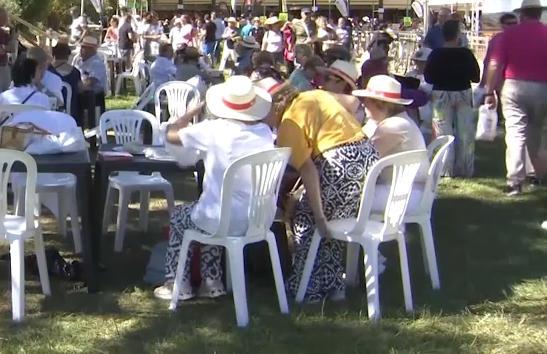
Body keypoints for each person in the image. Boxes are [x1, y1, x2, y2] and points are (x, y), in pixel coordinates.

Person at [254, 77, 379, 303]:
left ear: (272, 106)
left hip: (340, 166)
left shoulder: (288, 125)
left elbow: (309, 171)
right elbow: (351, 104)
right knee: (331, 224)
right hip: (366, 158)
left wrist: (319, 215)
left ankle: (307, 286)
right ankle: (332, 285)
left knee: (305, 218)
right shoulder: (315, 95)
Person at [153, 76, 276, 300]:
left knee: (184, 215)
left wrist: (189, 113)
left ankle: (176, 283)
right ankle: (212, 281)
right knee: (211, 208)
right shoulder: (265, 132)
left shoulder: (214, 129)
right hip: (259, 219)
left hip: (222, 219)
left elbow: (170, 134)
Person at [486, 0, 547, 195]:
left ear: (521, 14)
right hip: (541, 87)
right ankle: (534, 172)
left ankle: (514, 181)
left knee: (515, 132)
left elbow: (495, 64)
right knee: (536, 131)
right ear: (539, 13)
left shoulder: (509, 35)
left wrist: (489, 90)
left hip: (513, 86)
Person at [353, 75, 427, 211]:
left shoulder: (394, 126)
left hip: (406, 193)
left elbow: (362, 158)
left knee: (343, 196)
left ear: (380, 104)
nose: (363, 104)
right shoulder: (390, 121)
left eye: (367, 100)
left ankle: (345, 230)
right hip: (403, 188)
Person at [424, 19, 480, 178]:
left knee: (442, 132)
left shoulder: (435, 54)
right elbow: (475, 77)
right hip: (463, 92)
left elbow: (428, 78)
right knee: (465, 133)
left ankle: (444, 169)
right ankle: (466, 168)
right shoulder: (466, 53)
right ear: (457, 35)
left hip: (441, 93)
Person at [73, 35, 108, 127]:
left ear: (92, 50)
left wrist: (76, 85)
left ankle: (80, 126)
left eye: (84, 48)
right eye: (81, 47)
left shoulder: (97, 63)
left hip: (94, 95)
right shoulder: (78, 59)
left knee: (75, 101)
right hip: (80, 91)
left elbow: (91, 82)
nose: (81, 49)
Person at [481, 13, 518, 88]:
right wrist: (484, 81)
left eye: (515, 23)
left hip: (516, 80)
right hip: (499, 81)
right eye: (509, 24)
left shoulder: (522, 39)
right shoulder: (496, 40)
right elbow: (488, 61)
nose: (513, 26)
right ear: (502, 25)